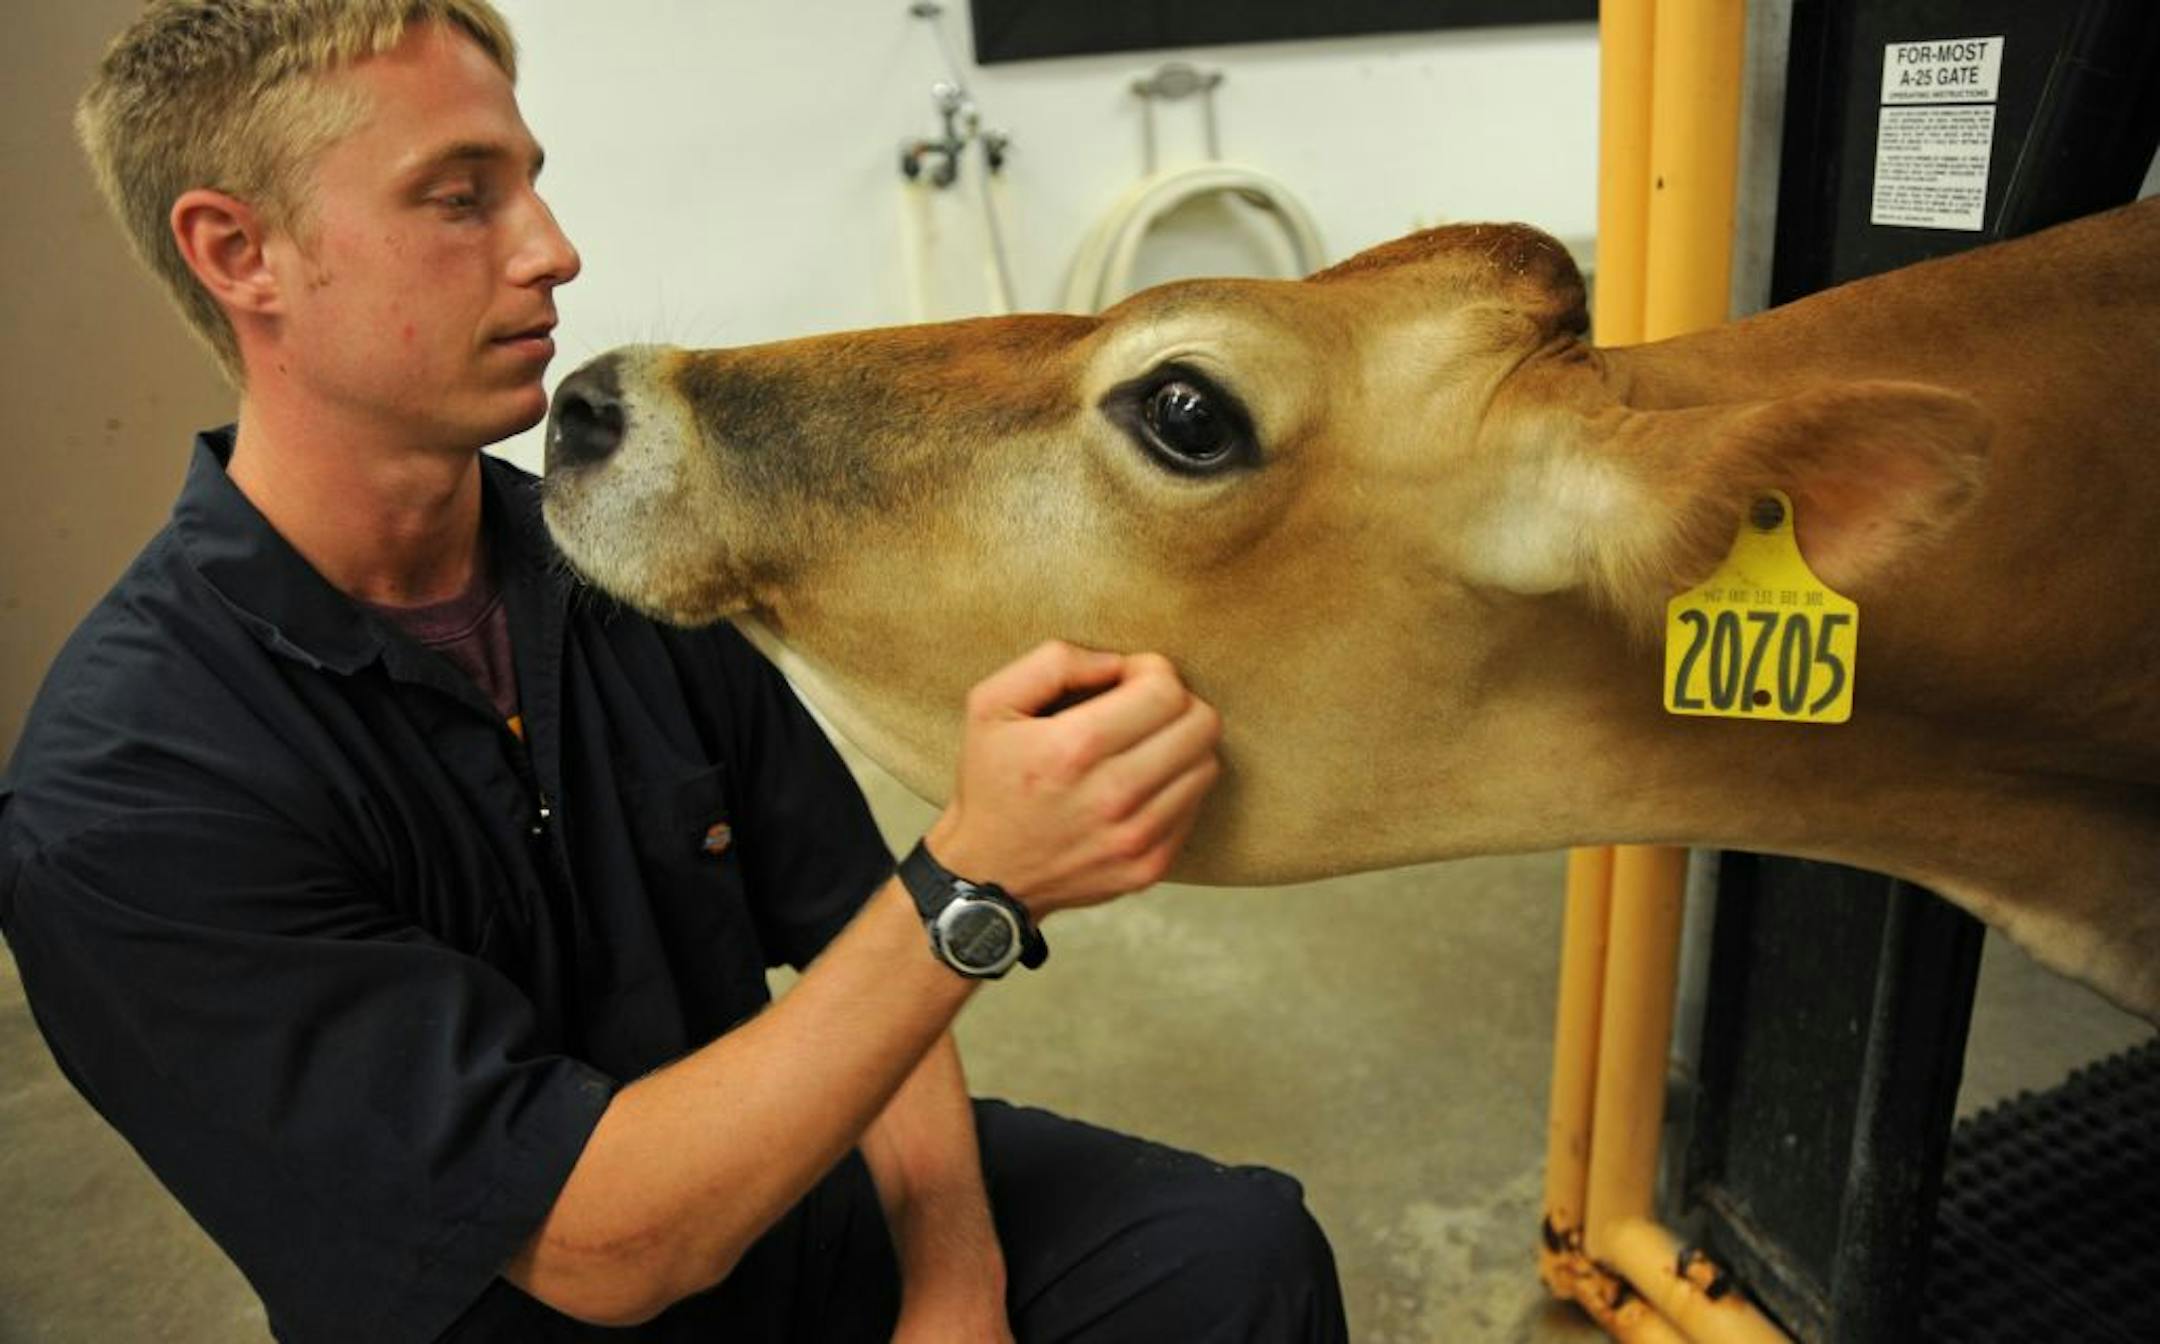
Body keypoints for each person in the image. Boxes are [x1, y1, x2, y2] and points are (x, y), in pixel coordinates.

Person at [0, 3, 1349, 1341]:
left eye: (532, 183)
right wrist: (974, 878)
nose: (554, 250)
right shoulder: (128, 798)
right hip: (542, 1288)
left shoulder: (618, 567)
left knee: (1237, 1256)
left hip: (768, 1192)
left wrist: (953, 1286)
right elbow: (599, 1250)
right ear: (242, 254)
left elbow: (842, 937)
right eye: (460, 199)